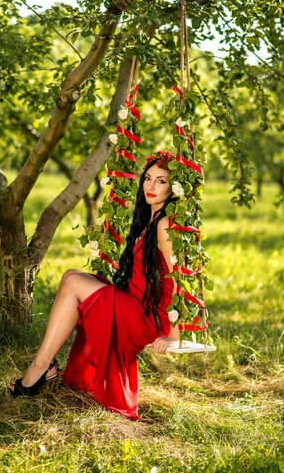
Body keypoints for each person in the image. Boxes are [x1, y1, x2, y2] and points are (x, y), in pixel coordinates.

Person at [10, 150, 180, 420]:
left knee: (75, 282)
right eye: (148, 178)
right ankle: (45, 366)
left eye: (161, 181)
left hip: (147, 316)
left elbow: (180, 278)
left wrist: (174, 334)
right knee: (70, 276)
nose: (150, 186)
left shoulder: (165, 226)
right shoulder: (149, 219)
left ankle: (41, 367)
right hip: (133, 302)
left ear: (173, 189)